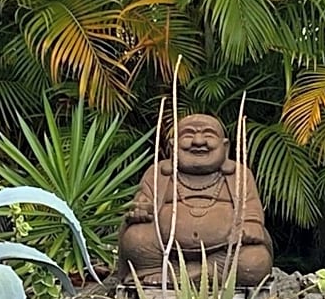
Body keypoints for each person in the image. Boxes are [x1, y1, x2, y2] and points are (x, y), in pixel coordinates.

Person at [117, 113, 273, 285]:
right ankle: (159, 270)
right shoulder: (158, 173)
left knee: (255, 261)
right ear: (172, 146)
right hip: (167, 253)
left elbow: (250, 205)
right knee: (136, 236)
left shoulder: (239, 174)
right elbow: (143, 201)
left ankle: (204, 273)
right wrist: (140, 210)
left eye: (208, 135)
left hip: (224, 254)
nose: (198, 141)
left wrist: (250, 223)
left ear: (225, 147)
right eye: (189, 135)